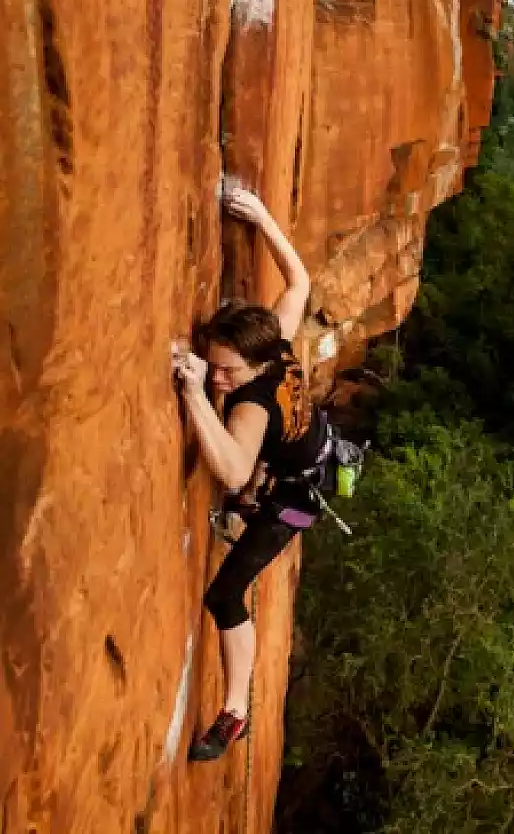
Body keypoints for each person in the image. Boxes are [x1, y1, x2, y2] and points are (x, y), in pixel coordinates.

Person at [173, 183, 327, 762]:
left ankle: (235, 712)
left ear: (256, 364)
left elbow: (234, 471)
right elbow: (300, 283)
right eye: (212, 366)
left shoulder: (251, 405)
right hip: (303, 461)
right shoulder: (277, 341)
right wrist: (261, 216)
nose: (218, 377)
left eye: (225, 370)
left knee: (226, 593)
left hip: (294, 499)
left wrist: (193, 394)